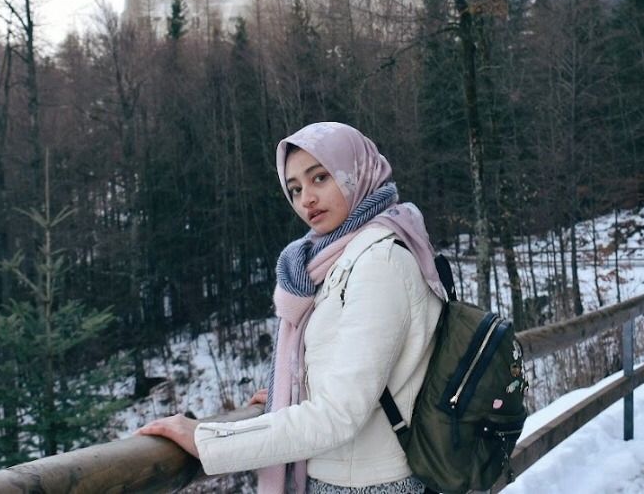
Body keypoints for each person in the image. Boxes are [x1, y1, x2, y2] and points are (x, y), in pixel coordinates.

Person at [137, 122, 447, 494]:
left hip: (367, 484)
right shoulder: (339, 259)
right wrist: (294, 391)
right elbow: (362, 372)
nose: (306, 199)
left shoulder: (379, 262)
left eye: (320, 178)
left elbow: (340, 414)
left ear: (358, 170)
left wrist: (208, 440)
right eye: (295, 188)